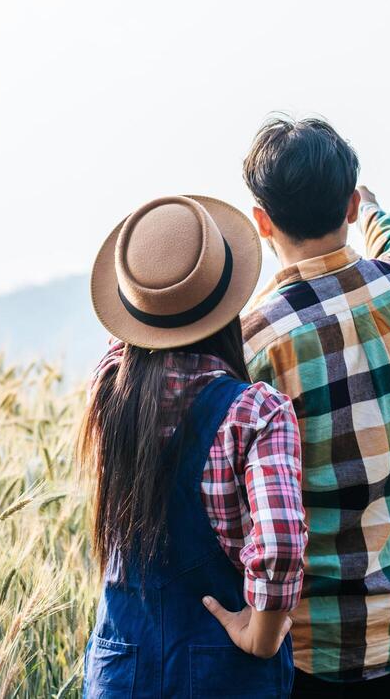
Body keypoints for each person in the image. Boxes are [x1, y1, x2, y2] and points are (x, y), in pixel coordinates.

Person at [240, 117, 390, 697]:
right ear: (350, 205)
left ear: (261, 222)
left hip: (302, 651)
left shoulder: (253, 342)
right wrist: (377, 211)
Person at [82, 194, 306, 697]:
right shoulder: (256, 413)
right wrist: (262, 636)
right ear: (227, 302)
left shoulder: (108, 396)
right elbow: (283, 543)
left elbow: (124, 350)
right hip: (225, 676)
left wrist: (150, 300)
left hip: (120, 673)